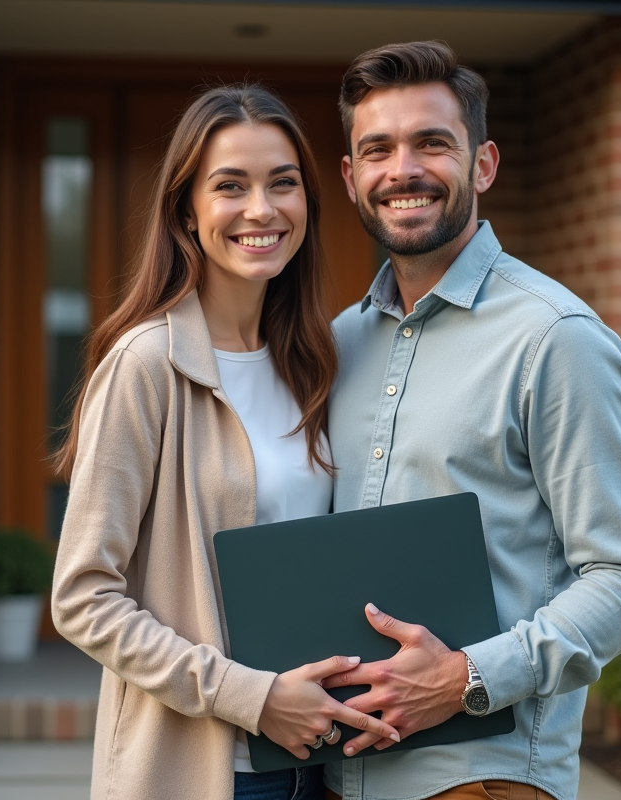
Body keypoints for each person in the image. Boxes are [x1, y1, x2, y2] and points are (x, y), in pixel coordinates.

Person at [319, 42, 621, 800]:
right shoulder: (338, 345)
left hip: (484, 781)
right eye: (377, 149)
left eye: (432, 143)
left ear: (482, 165)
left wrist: (465, 678)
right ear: (351, 177)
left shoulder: (556, 338)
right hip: (339, 773)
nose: (402, 170)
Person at [49, 84, 401, 800]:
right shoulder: (147, 365)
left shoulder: (314, 362)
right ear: (187, 209)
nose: (261, 210)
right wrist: (252, 698)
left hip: (322, 760)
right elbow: (83, 597)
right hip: (208, 771)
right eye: (229, 186)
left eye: (283, 183)